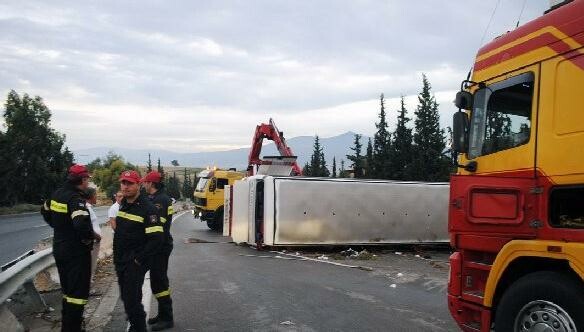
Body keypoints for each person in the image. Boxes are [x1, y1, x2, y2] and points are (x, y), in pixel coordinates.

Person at [41, 164, 94, 332]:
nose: (88, 183)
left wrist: (58, 226)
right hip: (76, 253)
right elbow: (81, 225)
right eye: (87, 180)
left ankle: (68, 326)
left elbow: (44, 210)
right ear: (83, 180)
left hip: (60, 248)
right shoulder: (75, 199)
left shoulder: (57, 193)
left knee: (68, 291)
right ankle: (74, 328)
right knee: (78, 294)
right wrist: (87, 240)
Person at [113, 170, 164, 332]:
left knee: (131, 300)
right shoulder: (125, 205)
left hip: (134, 262)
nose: (125, 187)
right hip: (121, 260)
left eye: (130, 183)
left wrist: (138, 260)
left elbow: (157, 239)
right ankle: (136, 324)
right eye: (123, 183)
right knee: (128, 298)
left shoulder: (148, 208)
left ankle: (139, 327)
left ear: (139, 185)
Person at [141, 171, 174, 331]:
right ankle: (162, 314)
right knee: (157, 280)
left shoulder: (161, 200)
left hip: (160, 246)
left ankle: (167, 318)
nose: (143, 184)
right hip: (157, 246)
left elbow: (156, 225)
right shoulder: (155, 198)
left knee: (159, 280)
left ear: (151, 183)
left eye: (145, 182)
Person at [84, 188, 101, 281]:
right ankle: (87, 289)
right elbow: (87, 226)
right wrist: (97, 237)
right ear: (91, 196)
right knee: (90, 266)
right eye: (95, 195)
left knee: (91, 266)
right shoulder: (86, 208)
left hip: (94, 241)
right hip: (93, 242)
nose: (97, 197)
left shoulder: (89, 208)